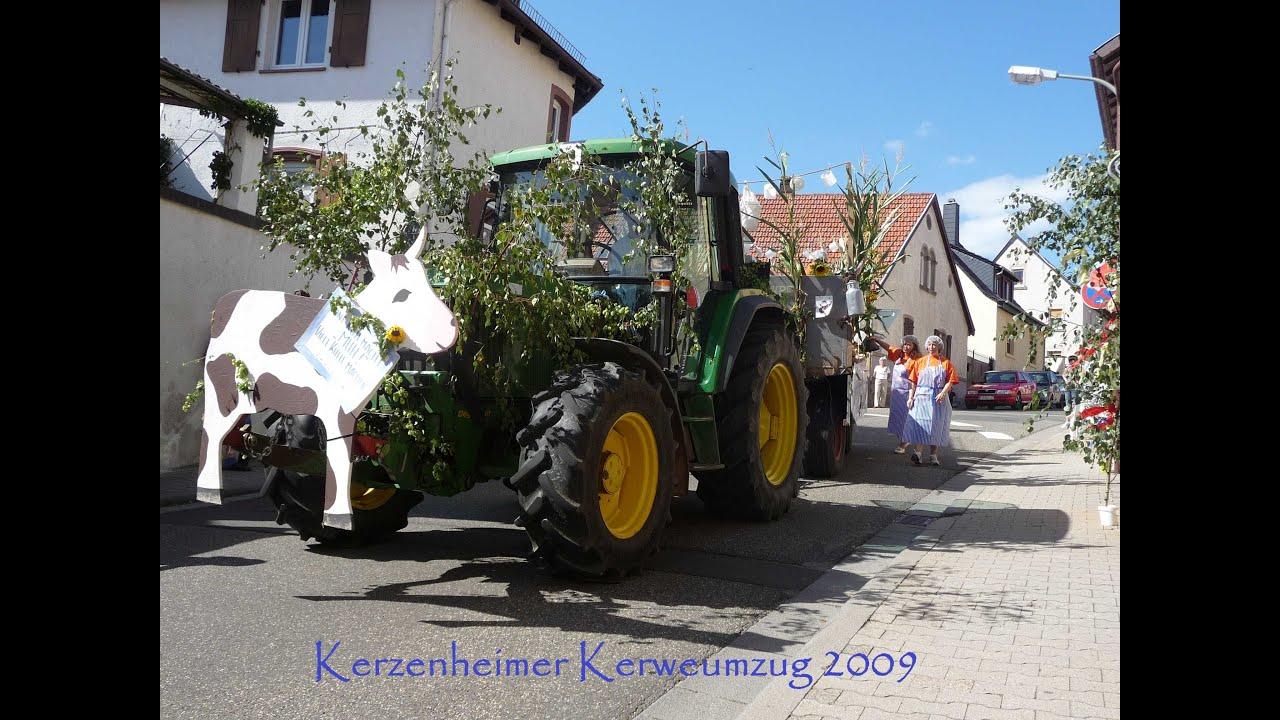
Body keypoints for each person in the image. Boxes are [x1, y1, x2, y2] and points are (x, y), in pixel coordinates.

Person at [903, 335, 960, 466]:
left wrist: (943, 393)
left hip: (938, 399)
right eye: (929, 344)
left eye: (934, 344)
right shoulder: (920, 362)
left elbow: (951, 381)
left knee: (936, 425)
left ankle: (933, 455)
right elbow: (913, 382)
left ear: (939, 347)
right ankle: (918, 454)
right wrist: (910, 397)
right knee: (921, 424)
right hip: (922, 397)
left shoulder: (946, 363)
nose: (931, 347)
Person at [870, 334, 923, 454]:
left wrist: (914, 395)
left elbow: (918, 377)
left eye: (909, 344)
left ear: (914, 346)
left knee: (906, 418)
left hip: (908, 393)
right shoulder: (899, 354)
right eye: (905, 344)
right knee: (898, 417)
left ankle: (903, 443)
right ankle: (905, 438)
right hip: (897, 393)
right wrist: (877, 340)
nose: (906, 346)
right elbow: (888, 347)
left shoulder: (917, 359)